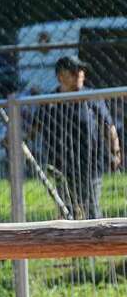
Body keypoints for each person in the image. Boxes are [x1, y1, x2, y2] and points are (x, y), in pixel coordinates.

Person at [36, 55, 121, 219]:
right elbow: (33, 128)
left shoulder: (91, 97)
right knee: (67, 212)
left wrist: (115, 150)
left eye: (81, 71)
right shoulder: (49, 102)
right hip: (60, 166)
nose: (80, 75)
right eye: (74, 72)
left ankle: (96, 243)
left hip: (90, 163)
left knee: (91, 210)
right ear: (61, 77)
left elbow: (108, 126)